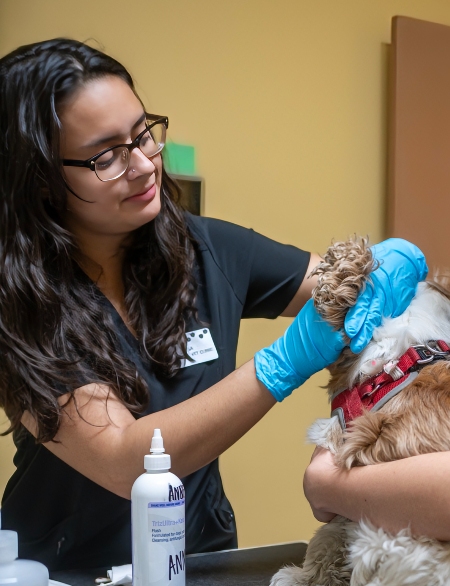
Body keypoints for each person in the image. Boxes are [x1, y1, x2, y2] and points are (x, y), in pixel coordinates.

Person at [0, 38, 426, 572]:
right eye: (106, 155)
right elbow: (126, 460)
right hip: (65, 571)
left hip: (199, 562)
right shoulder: (18, 308)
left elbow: (346, 288)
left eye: (143, 134)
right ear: (40, 180)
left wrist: (387, 268)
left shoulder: (206, 251)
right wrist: (282, 364)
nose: (143, 164)